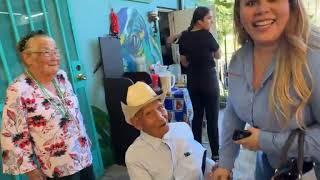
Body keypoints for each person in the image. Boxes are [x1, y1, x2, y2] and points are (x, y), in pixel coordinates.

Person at [212, 0, 320, 179]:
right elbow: (233, 113)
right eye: (251, 2)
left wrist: (265, 141)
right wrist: (225, 163)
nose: (261, 9)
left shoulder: (314, 55)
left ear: (291, 4)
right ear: (239, 12)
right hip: (268, 167)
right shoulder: (239, 60)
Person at [1, 30, 94, 180]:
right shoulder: (18, 89)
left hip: (82, 155)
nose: (55, 56)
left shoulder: (61, 77)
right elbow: (12, 134)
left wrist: (83, 136)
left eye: (55, 50)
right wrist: (30, 171)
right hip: (56, 167)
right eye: (46, 52)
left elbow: (72, 112)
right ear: (27, 57)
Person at [121, 81, 216, 180]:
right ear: (137, 123)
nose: (161, 118)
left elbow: (198, 158)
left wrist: (215, 169)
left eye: (160, 107)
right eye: (149, 113)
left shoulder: (183, 128)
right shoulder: (135, 156)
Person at [178, 6, 222, 160]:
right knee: (212, 118)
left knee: (197, 117)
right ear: (199, 21)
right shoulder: (206, 35)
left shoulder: (184, 36)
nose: (211, 21)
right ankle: (215, 154)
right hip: (209, 80)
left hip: (193, 81)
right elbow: (218, 55)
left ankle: (197, 151)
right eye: (209, 18)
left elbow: (183, 61)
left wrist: (193, 66)